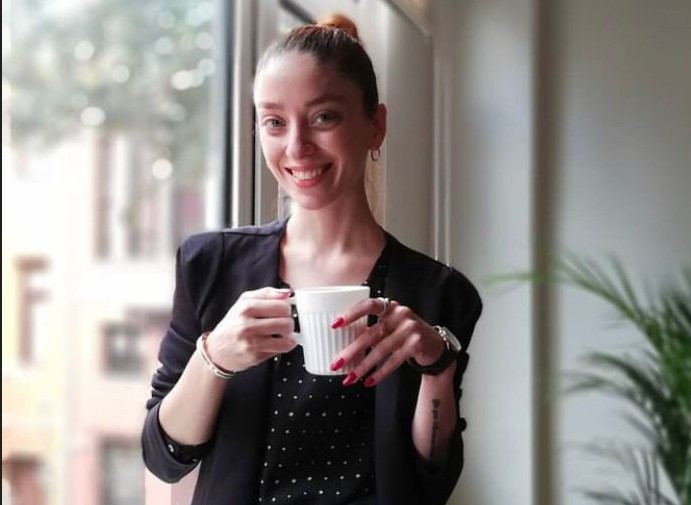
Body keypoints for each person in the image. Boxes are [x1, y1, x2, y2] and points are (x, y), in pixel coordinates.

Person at [142, 14, 482, 505]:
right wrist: (214, 357)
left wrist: (438, 365)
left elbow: (431, 480)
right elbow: (164, 456)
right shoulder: (210, 265)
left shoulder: (439, 293)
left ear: (376, 126)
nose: (297, 147)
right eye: (274, 122)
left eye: (324, 117)